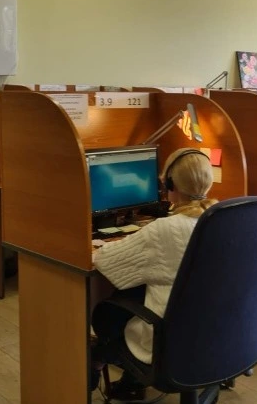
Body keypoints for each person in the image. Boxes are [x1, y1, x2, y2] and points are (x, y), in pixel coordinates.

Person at [90, 148, 217, 400]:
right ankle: (131, 381)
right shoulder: (221, 219)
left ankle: (97, 365)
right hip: (217, 332)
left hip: (170, 340)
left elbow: (104, 261)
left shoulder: (164, 229)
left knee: (108, 310)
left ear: (170, 184)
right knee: (139, 291)